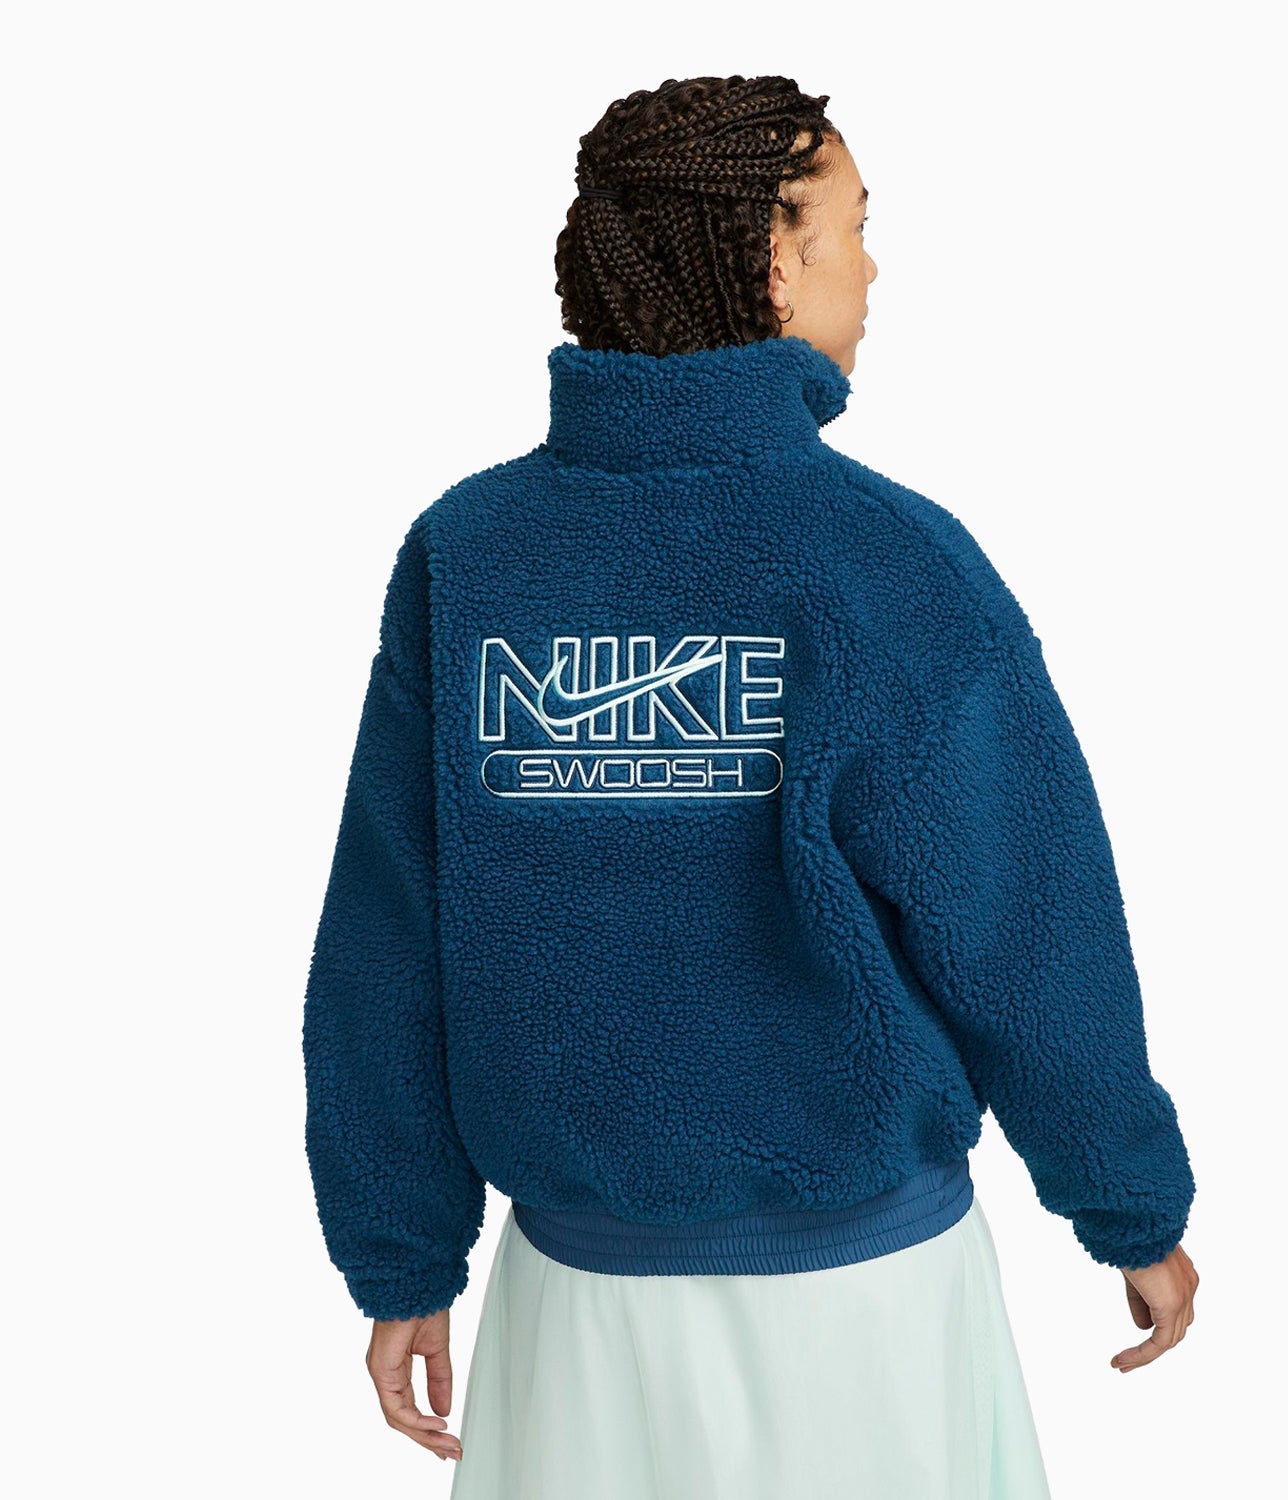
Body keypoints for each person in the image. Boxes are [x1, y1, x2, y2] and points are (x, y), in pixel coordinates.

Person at [301, 74, 1199, 1500]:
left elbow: (386, 937)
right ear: (775, 259)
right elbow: (1027, 923)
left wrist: (401, 1254)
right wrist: (1128, 1200)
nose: (873, 268)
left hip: (572, 1313)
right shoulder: (887, 558)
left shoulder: (472, 552)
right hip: (864, 1311)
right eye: (855, 227)